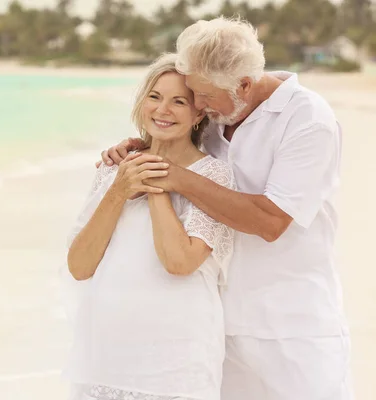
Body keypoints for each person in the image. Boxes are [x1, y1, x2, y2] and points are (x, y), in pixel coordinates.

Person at [100, 17, 352, 400]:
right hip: (214, 324)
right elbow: (183, 143)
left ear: (245, 85)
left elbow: (270, 221)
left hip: (292, 325)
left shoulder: (308, 120)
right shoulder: (220, 114)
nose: (199, 105)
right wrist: (141, 148)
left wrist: (171, 175)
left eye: (205, 96)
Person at [62, 53, 236, 400]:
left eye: (178, 102)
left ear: (198, 112)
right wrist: (120, 189)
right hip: (105, 357)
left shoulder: (215, 176)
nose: (163, 110)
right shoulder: (114, 170)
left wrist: (156, 180)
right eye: (154, 97)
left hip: (176, 364)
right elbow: (79, 266)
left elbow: (179, 262)